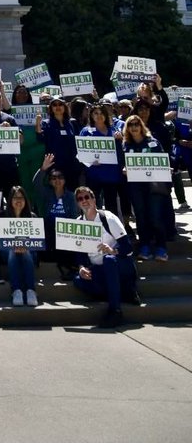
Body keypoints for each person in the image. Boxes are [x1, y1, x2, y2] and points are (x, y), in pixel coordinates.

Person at [72, 185, 140, 328]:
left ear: (94, 199)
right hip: (99, 268)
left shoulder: (107, 218)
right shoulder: (79, 222)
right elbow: (79, 252)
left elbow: (128, 247)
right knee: (78, 280)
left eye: (87, 197)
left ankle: (115, 310)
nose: (84, 201)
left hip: (120, 264)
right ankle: (123, 292)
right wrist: (82, 267)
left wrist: (113, 251)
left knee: (108, 260)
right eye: (80, 199)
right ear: (77, 203)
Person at [122, 114, 173, 261]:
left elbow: (162, 160)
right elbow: (121, 164)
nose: (134, 127)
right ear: (127, 128)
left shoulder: (153, 142)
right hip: (135, 187)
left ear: (141, 126)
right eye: (130, 125)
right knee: (141, 217)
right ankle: (144, 245)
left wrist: (166, 169)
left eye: (136, 124)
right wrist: (124, 170)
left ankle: (161, 247)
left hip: (154, 186)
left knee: (155, 217)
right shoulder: (126, 145)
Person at [4, 186, 39, 307]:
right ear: (10, 200)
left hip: (29, 253)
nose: (18, 200)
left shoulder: (33, 216)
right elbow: (2, 242)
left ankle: (31, 291)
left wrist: (26, 246)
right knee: (13, 250)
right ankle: (16, 291)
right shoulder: (4, 216)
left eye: (21, 197)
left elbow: (37, 242)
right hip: (9, 253)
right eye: (15, 197)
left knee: (25, 250)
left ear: (25, 200)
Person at [35, 97, 79, 188]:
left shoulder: (72, 123)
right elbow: (40, 139)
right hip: (55, 166)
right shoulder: (46, 123)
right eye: (54, 105)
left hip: (71, 166)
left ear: (65, 106)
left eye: (60, 104)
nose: (58, 107)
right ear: (51, 108)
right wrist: (38, 124)